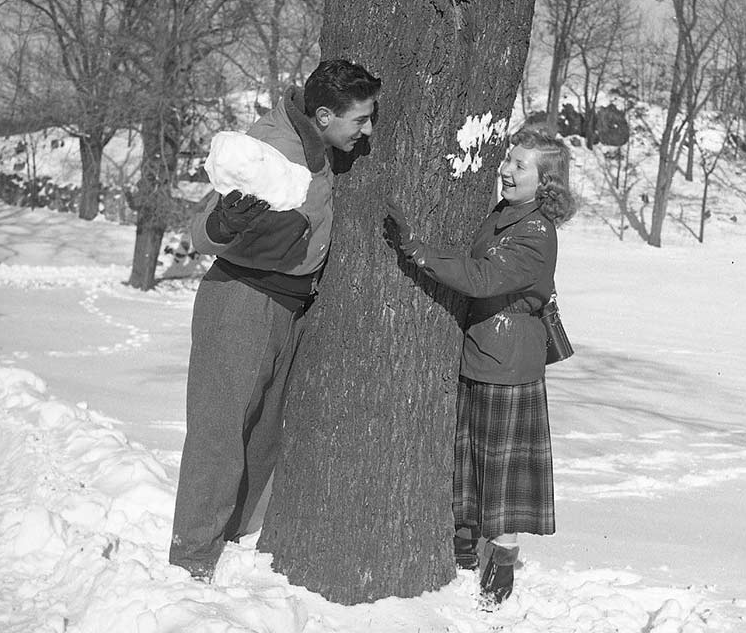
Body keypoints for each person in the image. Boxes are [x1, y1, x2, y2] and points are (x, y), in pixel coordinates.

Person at [169, 59, 381, 581]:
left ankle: (234, 538)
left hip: (289, 303)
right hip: (240, 299)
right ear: (325, 114)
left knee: (265, 433)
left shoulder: (318, 143)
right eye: (361, 120)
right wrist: (224, 220)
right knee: (219, 431)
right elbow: (200, 230)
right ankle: (192, 558)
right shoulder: (268, 149)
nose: (369, 131)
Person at [385, 128, 576, 607]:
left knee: (503, 478)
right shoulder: (507, 215)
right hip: (485, 353)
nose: (506, 171)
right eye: (508, 160)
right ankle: (466, 556)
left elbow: (484, 277)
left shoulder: (535, 231)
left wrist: (418, 251)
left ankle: (498, 586)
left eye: (520, 166)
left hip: (507, 364)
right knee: (471, 463)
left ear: (546, 184)